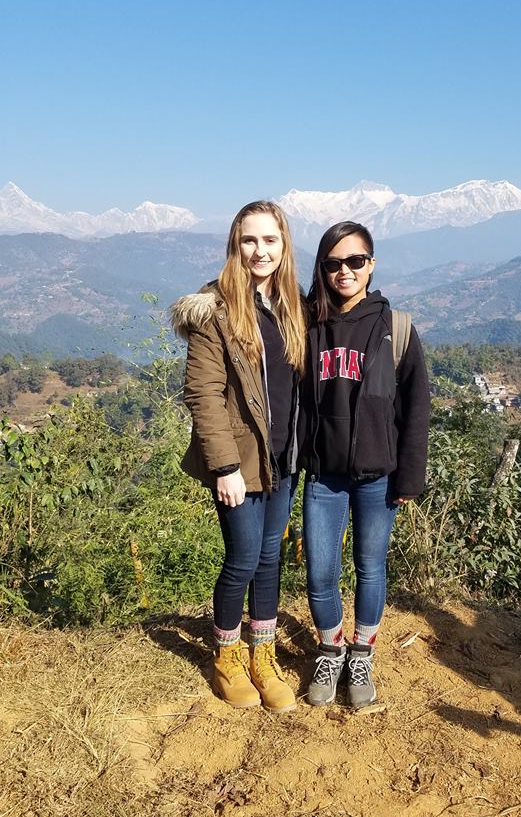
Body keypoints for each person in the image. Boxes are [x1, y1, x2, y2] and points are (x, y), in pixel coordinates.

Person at [170, 201, 306, 713]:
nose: (260, 250)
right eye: (250, 240)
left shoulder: (292, 305)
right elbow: (203, 394)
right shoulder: (217, 310)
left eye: (270, 240)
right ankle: (227, 656)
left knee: (270, 558)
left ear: (284, 244)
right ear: (235, 244)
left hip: (284, 458)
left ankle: (261, 655)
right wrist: (224, 466)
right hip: (240, 462)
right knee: (244, 557)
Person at [300, 221, 430, 708]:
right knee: (320, 573)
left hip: (378, 476)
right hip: (324, 476)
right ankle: (330, 649)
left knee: (370, 568)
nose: (345, 271)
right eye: (334, 263)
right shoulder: (309, 326)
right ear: (323, 268)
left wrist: (409, 477)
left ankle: (362, 653)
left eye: (355, 261)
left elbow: (416, 408)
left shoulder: (396, 328)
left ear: (372, 265)